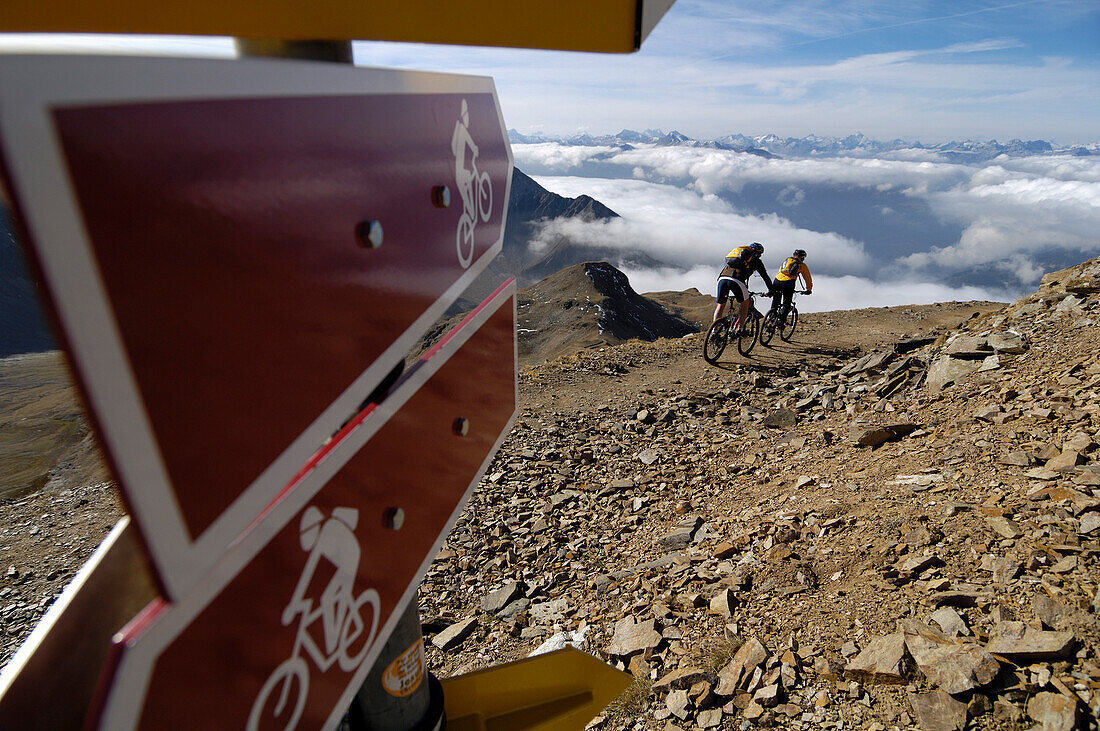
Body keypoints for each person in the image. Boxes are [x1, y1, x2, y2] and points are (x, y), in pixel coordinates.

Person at [714, 242, 773, 334]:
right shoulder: (756, 261)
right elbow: (765, 276)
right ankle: (740, 329)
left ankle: (714, 331)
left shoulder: (737, 256)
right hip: (737, 280)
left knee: (720, 305)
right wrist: (771, 290)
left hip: (722, 278)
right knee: (745, 304)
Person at [771, 248, 813, 321]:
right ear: (802, 257)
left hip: (776, 281)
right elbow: (807, 278)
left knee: (776, 301)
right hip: (788, 282)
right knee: (786, 304)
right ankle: (780, 322)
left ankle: (771, 319)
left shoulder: (786, 261)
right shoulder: (802, 265)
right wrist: (809, 289)